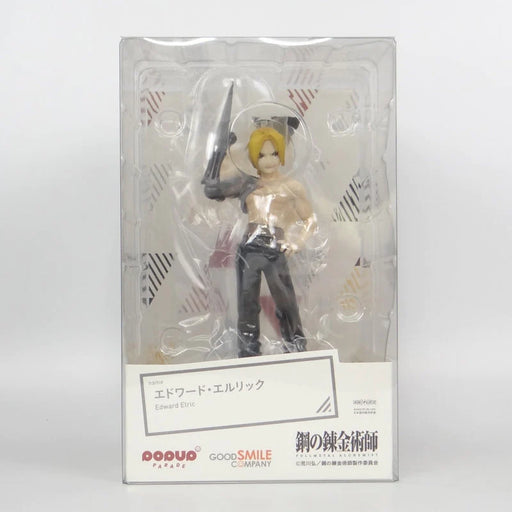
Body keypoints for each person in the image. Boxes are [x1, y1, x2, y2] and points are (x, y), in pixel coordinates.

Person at [203, 126, 316, 357]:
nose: (269, 160)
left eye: (274, 154)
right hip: (249, 248)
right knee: (247, 303)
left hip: (276, 247)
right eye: (262, 155)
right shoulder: (249, 184)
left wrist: (296, 243)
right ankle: (248, 351)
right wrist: (222, 150)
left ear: (282, 155)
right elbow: (214, 187)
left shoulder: (292, 187)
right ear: (254, 159)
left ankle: (296, 347)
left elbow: (310, 220)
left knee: (285, 301)